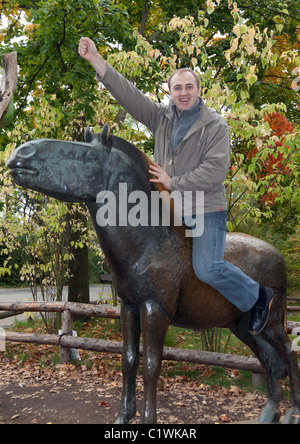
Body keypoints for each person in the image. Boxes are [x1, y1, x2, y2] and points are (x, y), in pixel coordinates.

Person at [78, 37, 274, 335]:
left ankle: (258, 296)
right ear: (170, 93)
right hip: (169, 209)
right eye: (177, 88)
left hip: (206, 207)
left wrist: (174, 181)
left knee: (207, 268)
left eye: (189, 87)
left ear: (198, 91)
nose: (183, 93)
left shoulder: (215, 125)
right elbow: (129, 94)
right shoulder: (161, 118)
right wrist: (96, 60)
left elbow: (216, 170)